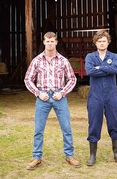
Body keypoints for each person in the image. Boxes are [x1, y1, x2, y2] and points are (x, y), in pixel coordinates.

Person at [24, 31, 80, 170]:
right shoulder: (37, 60)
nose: (50, 43)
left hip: (59, 97)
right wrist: (38, 93)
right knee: (38, 129)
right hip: (43, 97)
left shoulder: (63, 60)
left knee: (66, 127)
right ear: (44, 42)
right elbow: (28, 79)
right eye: (47, 41)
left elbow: (72, 79)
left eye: (52, 41)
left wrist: (62, 93)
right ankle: (36, 157)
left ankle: (69, 155)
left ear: (56, 42)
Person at [85, 29, 117, 166]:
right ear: (95, 43)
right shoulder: (90, 57)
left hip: (111, 95)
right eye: (99, 41)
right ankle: (92, 155)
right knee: (94, 123)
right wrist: (107, 68)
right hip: (95, 95)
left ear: (108, 42)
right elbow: (90, 71)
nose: (102, 43)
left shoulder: (114, 56)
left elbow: (116, 69)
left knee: (114, 122)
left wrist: (99, 68)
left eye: (104, 41)